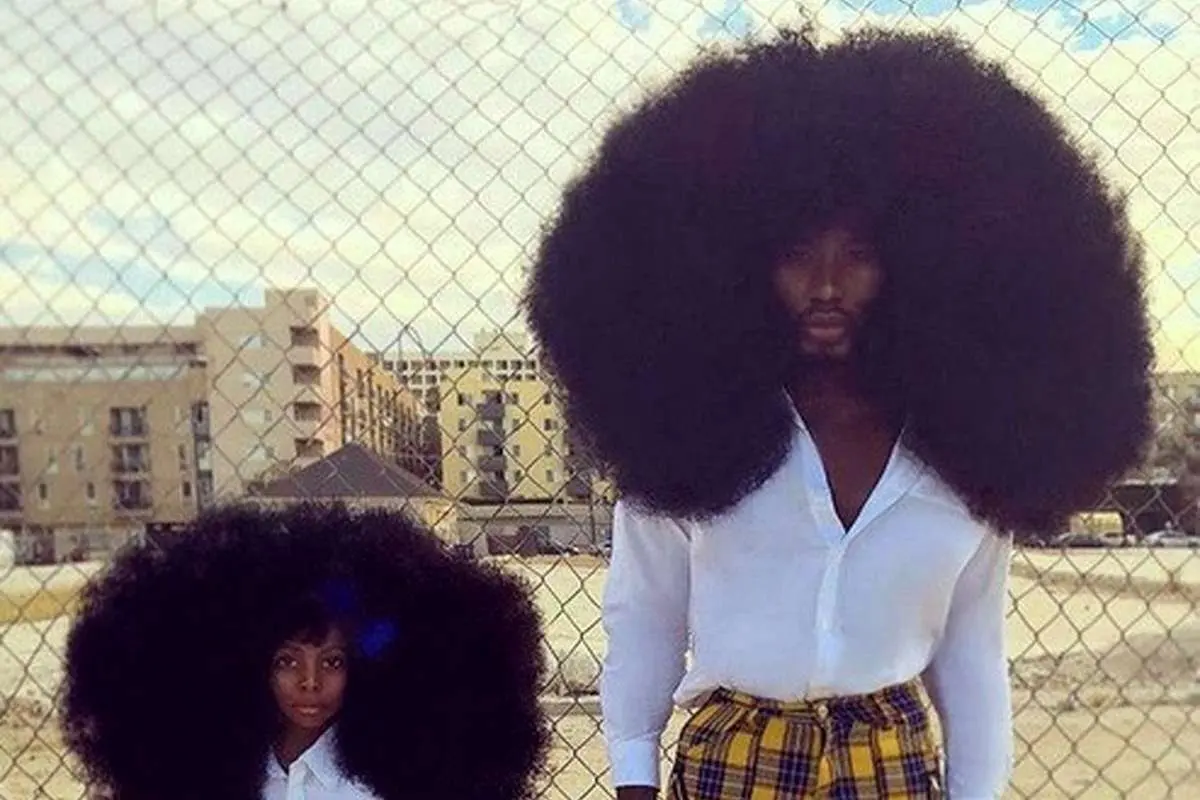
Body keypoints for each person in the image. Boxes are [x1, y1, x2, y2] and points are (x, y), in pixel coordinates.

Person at [524, 26, 1151, 800]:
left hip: (891, 761)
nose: (826, 284)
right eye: (797, 255)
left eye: (857, 255)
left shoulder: (972, 451)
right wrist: (633, 777)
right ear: (737, 265)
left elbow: (971, 654)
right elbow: (645, 616)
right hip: (734, 760)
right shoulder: (683, 436)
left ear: (923, 261)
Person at [60, 502, 549, 800]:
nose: (310, 682)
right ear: (245, 662)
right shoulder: (203, 776)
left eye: (332, 661)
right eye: (287, 661)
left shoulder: (394, 785)